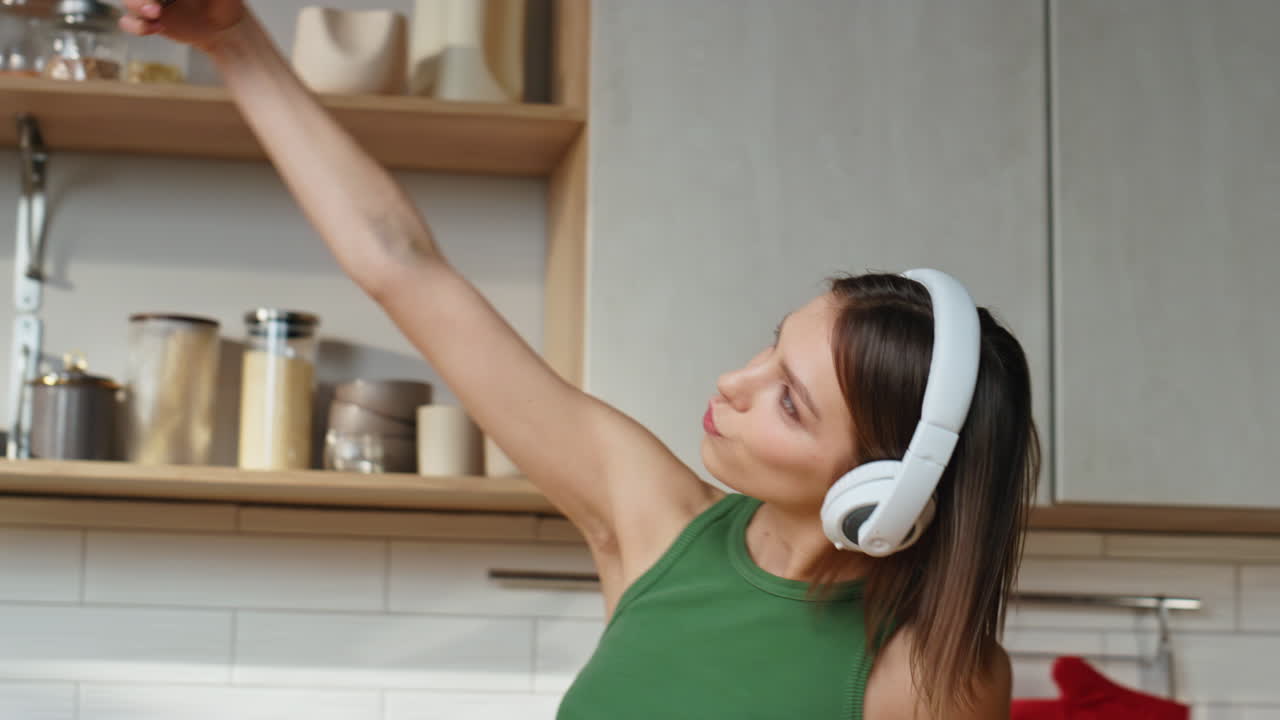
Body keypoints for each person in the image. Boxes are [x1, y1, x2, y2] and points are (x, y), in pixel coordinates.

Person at [120, 3, 1040, 718]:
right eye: (771, 346)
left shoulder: (932, 678)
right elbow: (402, 267)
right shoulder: (653, 524)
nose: (734, 382)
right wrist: (235, 40)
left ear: (887, 491)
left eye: (790, 403)